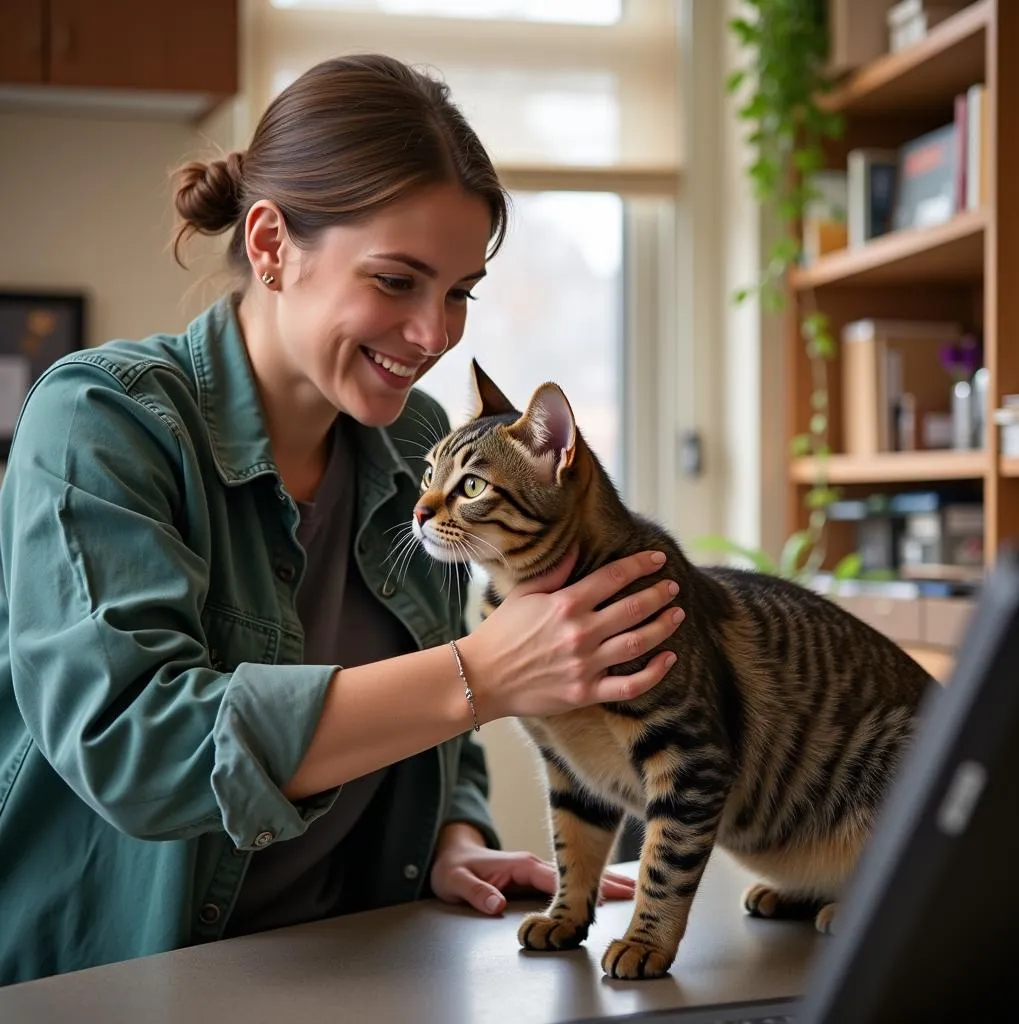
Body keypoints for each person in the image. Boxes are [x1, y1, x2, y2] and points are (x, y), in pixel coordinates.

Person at [0, 54, 684, 986]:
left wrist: (454, 834)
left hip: (353, 966)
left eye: (458, 292)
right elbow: (137, 744)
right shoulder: (100, 423)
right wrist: (483, 673)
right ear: (273, 244)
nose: (437, 334)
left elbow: (430, 723)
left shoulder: (421, 444)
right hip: (112, 983)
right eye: (399, 281)